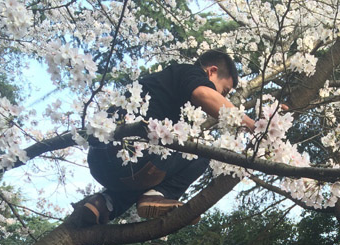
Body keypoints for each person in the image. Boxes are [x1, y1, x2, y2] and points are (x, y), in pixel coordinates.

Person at [76, 51, 255, 226]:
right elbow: (204, 94)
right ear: (212, 71)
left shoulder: (165, 88)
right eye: (223, 91)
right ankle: (159, 194)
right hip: (132, 154)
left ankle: (103, 204)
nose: (221, 97)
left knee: (146, 176)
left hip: (100, 160)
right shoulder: (188, 72)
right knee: (199, 153)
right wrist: (252, 124)